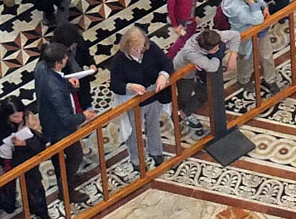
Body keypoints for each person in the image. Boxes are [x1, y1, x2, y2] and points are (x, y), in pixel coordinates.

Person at [34, 41, 91, 205]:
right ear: (58, 62)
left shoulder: (41, 68)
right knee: (75, 156)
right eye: (65, 59)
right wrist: (84, 116)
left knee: (59, 158)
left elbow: (57, 83)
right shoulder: (55, 89)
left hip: (49, 122)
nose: (67, 61)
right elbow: (65, 118)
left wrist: (68, 85)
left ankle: (67, 180)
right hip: (61, 130)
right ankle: (66, 190)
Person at [109, 26, 173, 169]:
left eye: (141, 48)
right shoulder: (119, 60)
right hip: (133, 102)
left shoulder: (151, 48)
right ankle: (137, 159)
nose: (139, 52)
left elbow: (166, 63)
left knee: (154, 125)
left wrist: (163, 75)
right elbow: (114, 84)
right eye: (135, 49)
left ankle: (156, 151)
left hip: (152, 96)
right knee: (134, 132)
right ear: (127, 46)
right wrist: (130, 87)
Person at [0, 99, 52, 219]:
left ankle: (41, 212)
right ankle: (7, 205)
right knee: (6, 186)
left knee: (34, 186)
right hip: (6, 159)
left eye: (20, 115)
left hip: (26, 156)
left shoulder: (28, 119)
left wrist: (25, 143)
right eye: (15, 117)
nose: (19, 119)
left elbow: (41, 142)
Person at [221, 0, 280, 97]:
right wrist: (251, 2)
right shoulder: (235, 7)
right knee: (246, 58)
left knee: (266, 55)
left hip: (260, 31)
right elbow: (256, 20)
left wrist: (264, 7)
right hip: (246, 34)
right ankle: (243, 79)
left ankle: (270, 80)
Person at [173, 27, 239, 131]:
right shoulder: (191, 52)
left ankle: (185, 112)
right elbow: (212, 66)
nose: (218, 48)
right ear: (205, 49)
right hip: (183, 73)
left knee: (206, 92)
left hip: (200, 68)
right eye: (215, 49)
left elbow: (235, 35)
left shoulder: (213, 36)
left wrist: (233, 54)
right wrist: (219, 54)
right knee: (184, 96)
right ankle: (180, 115)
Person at [52, 21, 97, 112]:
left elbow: (86, 55)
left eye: (73, 46)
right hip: (66, 81)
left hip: (81, 76)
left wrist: (92, 64)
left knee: (85, 96)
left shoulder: (78, 40)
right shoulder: (53, 51)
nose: (72, 49)